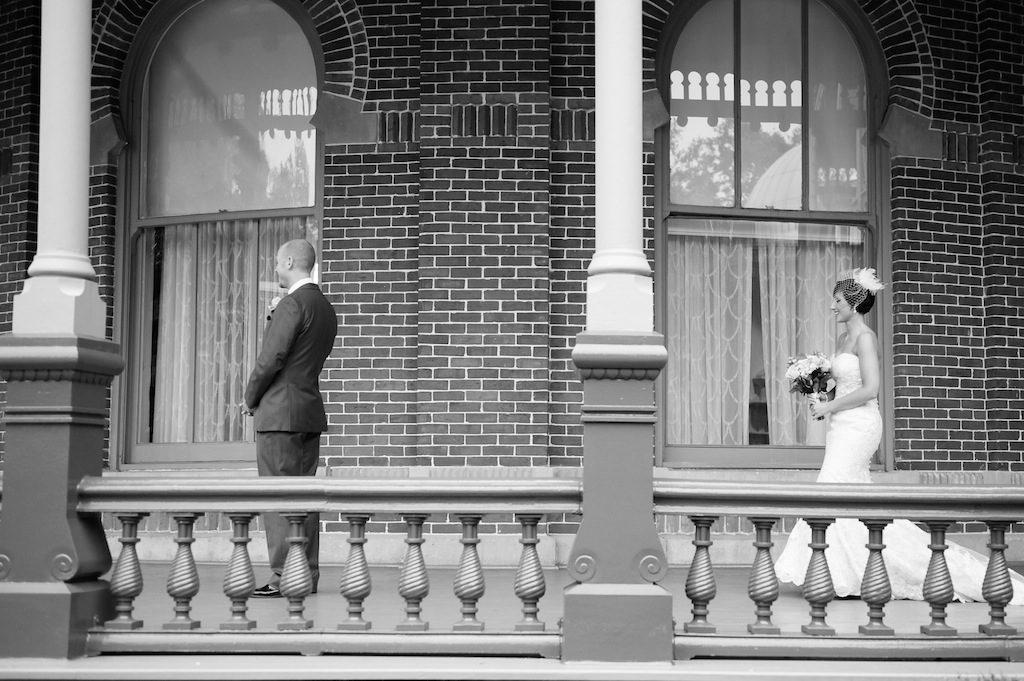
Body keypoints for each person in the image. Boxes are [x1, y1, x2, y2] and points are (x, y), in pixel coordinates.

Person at [774, 267, 1024, 604]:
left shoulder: (866, 338)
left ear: (854, 301)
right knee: (848, 493)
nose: (832, 306)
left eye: (837, 301)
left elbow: (871, 388)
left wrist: (831, 408)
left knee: (831, 488)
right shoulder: (842, 340)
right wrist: (824, 400)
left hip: (860, 425)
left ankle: (841, 571)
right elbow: (845, 385)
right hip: (841, 426)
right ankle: (849, 571)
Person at [242, 239, 337, 598]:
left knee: (279, 498)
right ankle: (307, 576)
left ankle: (284, 576)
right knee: (304, 500)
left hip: (279, 414)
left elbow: (271, 359)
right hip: (309, 412)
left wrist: (250, 398)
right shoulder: (324, 307)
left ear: (292, 261)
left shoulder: (291, 304)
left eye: (278, 263)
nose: (275, 269)